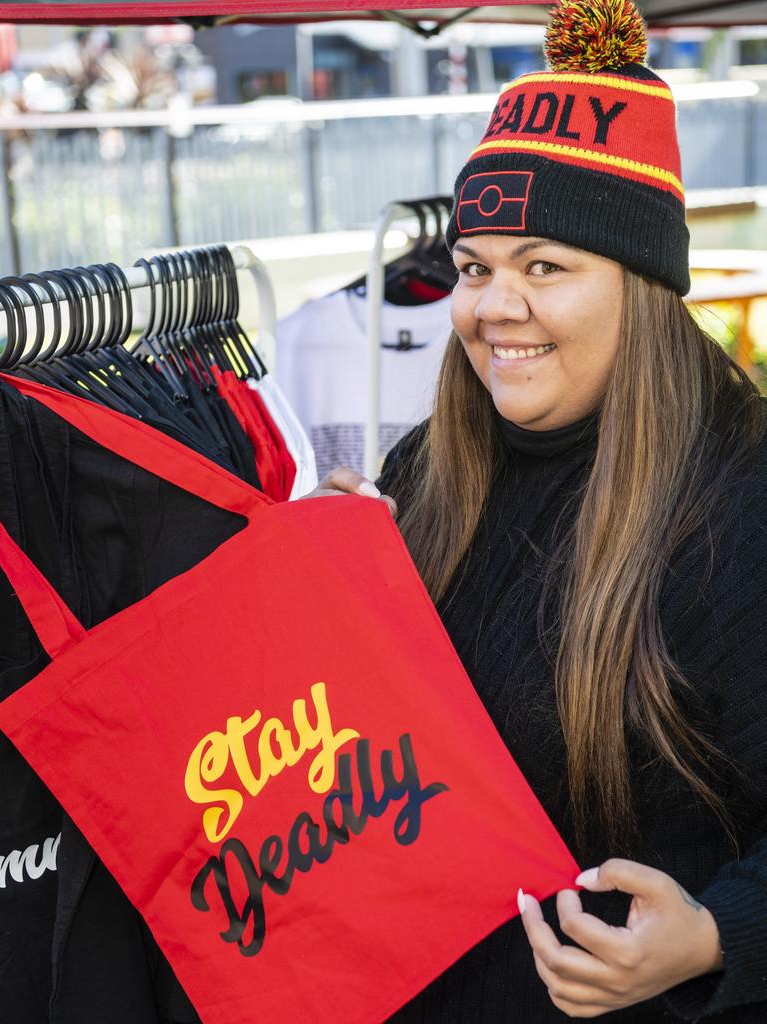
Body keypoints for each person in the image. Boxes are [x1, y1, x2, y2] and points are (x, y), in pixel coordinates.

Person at [308, 0, 767, 1019]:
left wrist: (714, 932)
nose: (490, 307)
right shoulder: (427, 467)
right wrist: (352, 602)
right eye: (475, 267)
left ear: (641, 286)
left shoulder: (741, 498)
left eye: (544, 267)